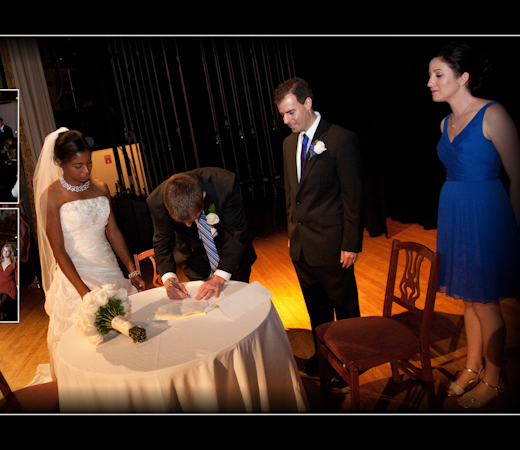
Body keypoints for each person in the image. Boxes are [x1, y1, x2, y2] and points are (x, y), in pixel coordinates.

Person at [428, 42, 520, 409]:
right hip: (454, 212)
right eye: (430, 75)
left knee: (486, 303)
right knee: (469, 301)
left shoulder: (492, 114)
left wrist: (510, 230)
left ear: (463, 77)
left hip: (486, 215)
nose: (430, 82)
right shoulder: (444, 122)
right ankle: (472, 366)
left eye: (438, 75)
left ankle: (495, 378)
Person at [34, 128, 145, 375]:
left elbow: (113, 232)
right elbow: (58, 249)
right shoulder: (51, 195)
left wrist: (131, 269)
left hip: (108, 267)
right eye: (78, 166)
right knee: (91, 351)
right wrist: (85, 293)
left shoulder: (101, 186)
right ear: (59, 163)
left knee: (125, 335)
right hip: (77, 276)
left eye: (89, 163)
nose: (86, 171)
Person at [273, 77, 365, 377]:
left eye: (291, 112)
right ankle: (325, 357)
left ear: (308, 103)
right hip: (301, 246)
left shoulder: (341, 139)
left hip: (333, 245)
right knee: (317, 310)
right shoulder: (289, 144)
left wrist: (351, 243)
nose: (287, 120)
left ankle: (353, 361)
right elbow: (291, 194)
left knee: (344, 307)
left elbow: (353, 197)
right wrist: (291, 234)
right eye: (283, 114)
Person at [147, 168, 257, 301]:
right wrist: (169, 280)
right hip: (195, 261)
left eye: (192, 218)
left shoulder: (224, 184)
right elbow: (162, 244)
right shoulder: (156, 202)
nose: (188, 224)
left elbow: (236, 232)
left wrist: (220, 277)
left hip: (232, 259)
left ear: (203, 196)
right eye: (183, 221)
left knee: (240, 305)